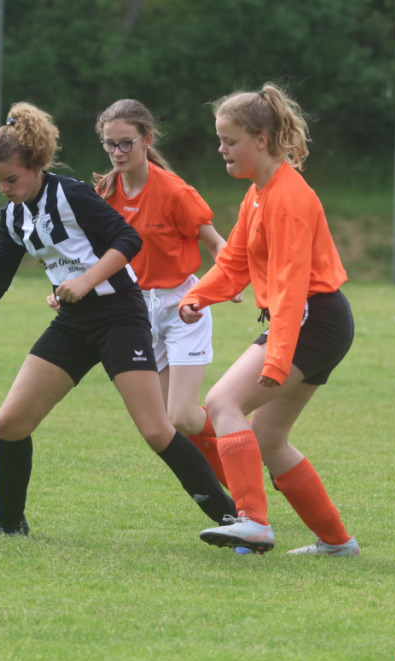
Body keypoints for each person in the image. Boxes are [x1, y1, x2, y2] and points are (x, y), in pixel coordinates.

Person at [0, 102, 235, 536]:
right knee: (10, 422)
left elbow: (128, 239)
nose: (5, 189)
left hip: (120, 317)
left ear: (34, 165)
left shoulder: (70, 193)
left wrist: (87, 280)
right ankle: (10, 523)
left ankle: (232, 519)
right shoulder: (13, 216)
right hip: (73, 322)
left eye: (11, 179)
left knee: (156, 430)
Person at [178, 83, 360, 557]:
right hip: (311, 319)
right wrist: (201, 295)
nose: (221, 150)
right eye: (219, 140)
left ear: (260, 140)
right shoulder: (259, 194)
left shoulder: (289, 199)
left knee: (221, 402)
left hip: (310, 318)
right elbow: (235, 260)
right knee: (269, 438)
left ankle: (253, 522)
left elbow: (292, 291)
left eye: (229, 140)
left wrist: (276, 362)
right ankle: (338, 544)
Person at [84, 98, 238, 489]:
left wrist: (229, 279)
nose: (117, 152)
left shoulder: (174, 191)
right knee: (173, 422)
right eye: (109, 144)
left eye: (125, 144)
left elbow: (217, 244)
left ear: (146, 139)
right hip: (136, 311)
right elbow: (96, 256)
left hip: (183, 306)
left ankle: (245, 435)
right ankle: (239, 493)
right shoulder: (105, 191)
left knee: (184, 416)